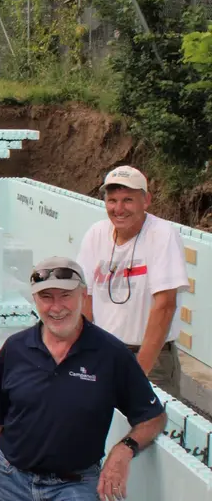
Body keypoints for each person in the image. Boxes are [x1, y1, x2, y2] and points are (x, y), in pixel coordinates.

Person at [0, 256, 167, 501]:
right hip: (14, 483)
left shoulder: (111, 354)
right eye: (46, 297)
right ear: (35, 299)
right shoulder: (14, 350)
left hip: (76, 485)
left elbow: (153, 417)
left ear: (84, 295)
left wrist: (124, 449)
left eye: (66, 295)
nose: (56, 306)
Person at [76, 165, 190, 398]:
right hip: (104, 353)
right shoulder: (96, 233)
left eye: (128, 200)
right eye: (112, 200)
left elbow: (165, 305)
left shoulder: (162, 234)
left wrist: (139, 372)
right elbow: (84, 296)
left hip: (150, 358)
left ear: (146, 200)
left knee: (149, 430)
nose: (119, 209)